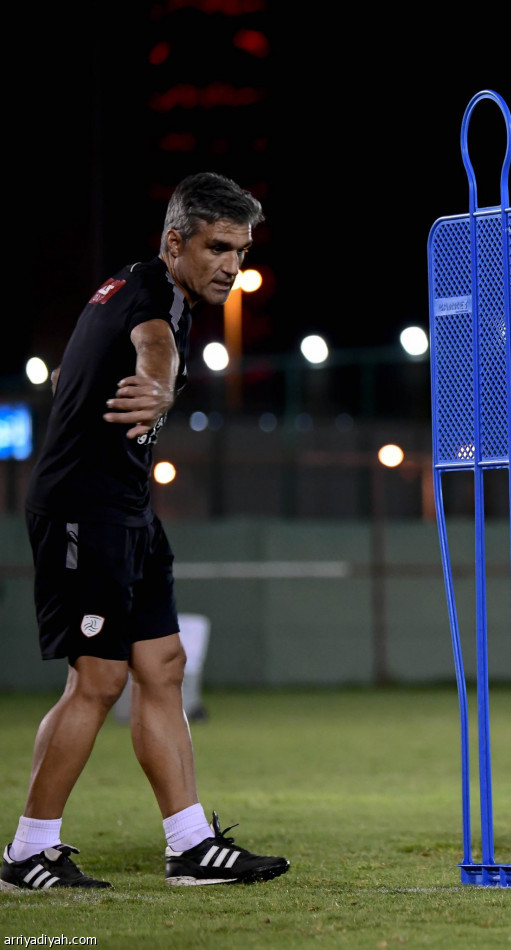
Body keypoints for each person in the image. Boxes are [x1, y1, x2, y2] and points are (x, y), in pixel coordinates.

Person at [1, 172, 290, 891]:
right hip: (83, 511)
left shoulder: (141, 288)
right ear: (174, 243)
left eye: (241, 251)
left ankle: (190, 846)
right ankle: (28, 852)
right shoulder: (152, 298)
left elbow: (97, 362)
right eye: (218, 247)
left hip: (128, 511)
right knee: (98, 680)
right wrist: (159, 383)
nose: (231, 265)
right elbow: (153, 343)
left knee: (163, 666)